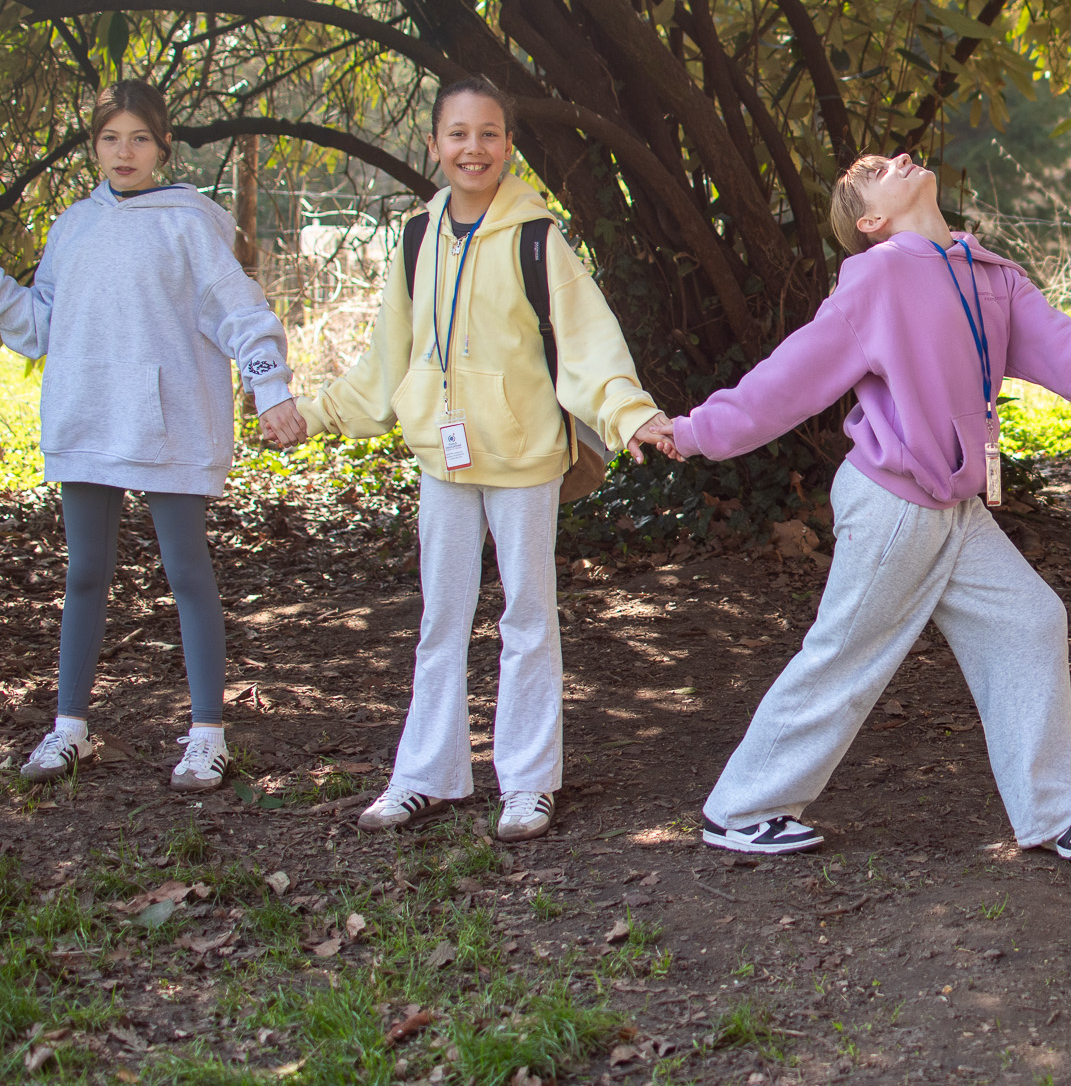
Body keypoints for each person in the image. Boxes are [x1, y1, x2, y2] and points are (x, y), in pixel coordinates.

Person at [649, 152, 1071, 861]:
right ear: (870, 221)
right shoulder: (877, 276)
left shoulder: (991, 275)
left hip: (953, 506)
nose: (900, 159)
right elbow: (788, 379)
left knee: (1029, 620)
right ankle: (742, 809)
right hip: (893, 501)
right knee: (847, 652)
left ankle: (1053, 814)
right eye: (878, 169)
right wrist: (695, 432)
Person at [298, 76, 669, 842]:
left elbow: (591, 344)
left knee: (527, 617)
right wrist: (313, 414)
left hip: (524, 458)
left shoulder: (538, 238)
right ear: (434, 143)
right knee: (440, 617)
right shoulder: (416, 237)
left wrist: (630, 412)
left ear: (509, 145)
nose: (474, 148)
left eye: (489, 133)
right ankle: (425, 775)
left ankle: (528, 783)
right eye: (459, 133)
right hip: (444, 459)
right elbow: (385, 359)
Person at [1, 79, 306, 793]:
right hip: (88, 418)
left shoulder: (189, 222)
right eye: (111, 138)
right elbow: (39, 325)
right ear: (94, 147)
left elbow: (238, 309)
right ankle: (71, 728)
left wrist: (270, 387)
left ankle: (207, 735)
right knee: (84, 572)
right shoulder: (72, 226)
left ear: (163, 144)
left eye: (139, 138)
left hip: (168, 424)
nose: (124, 151)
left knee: (186, 572)